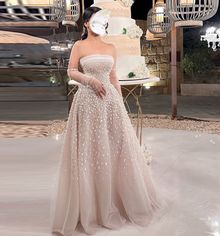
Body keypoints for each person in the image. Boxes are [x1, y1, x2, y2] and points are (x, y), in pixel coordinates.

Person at [51, 6, 167, 236]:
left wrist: (119, 104)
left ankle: (117, 199)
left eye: (103, 20)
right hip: (87, 101)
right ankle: (91, 207)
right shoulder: (79, 46)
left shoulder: (110, 47)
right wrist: (89, 81)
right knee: (90, 149)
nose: (101, 24)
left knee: (115, 148)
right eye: (96, 20)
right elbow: (71, 71)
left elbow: (113, 76)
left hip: (110, 102)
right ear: (86, 23)